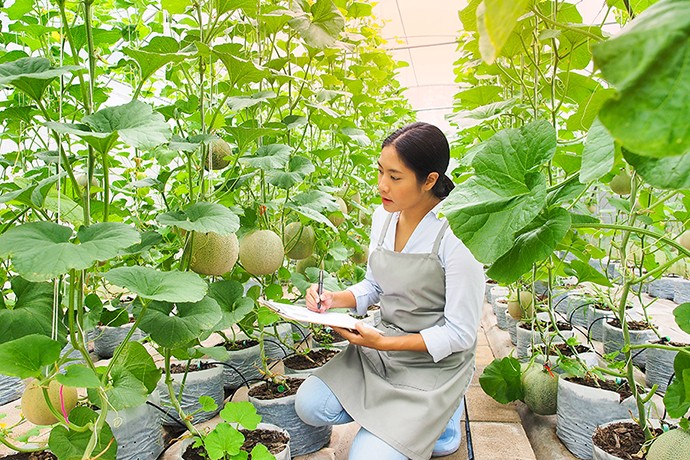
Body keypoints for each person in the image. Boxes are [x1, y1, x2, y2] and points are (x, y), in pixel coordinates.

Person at [294, 122, 485, 459]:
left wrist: (384, 342)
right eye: (381, 171)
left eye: (395, 177)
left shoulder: (457, 234)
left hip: (433, 362)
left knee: (366, 457)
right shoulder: (383, 218)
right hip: (383, 346)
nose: (382, 185)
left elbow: (460, 334)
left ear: (429, 180)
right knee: (310, 406)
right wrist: (334, 299)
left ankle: (443, 415)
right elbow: (374, 285)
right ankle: (398, 426)